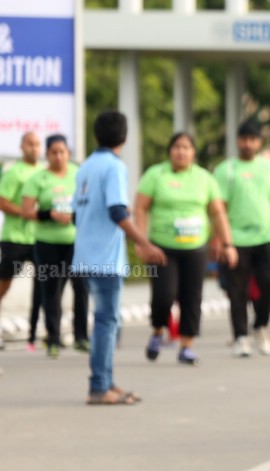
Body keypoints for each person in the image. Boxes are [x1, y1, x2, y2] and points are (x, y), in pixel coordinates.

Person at [73, 110, 166, 406]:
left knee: (105, 321)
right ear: (124, 137)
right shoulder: (114, 167)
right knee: (106, 322)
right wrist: (144, 242)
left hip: (85, 255)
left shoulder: (85, 166)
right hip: (104, 259)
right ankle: (99, 386)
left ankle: (106, 383)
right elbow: (117, 210)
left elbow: (78, 214)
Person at [135, 132, 236, 366]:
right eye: (177, 147)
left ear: (193, 153)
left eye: (186, 147)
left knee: (192, 297)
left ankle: (187, 346)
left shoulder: (204, 178)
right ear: (170, 151)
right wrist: (141, 241)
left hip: (195, 247)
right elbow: (140, 207)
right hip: (162, 248)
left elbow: (217, 213)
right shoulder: (155, 175)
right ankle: (158, 331)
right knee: (164, 296)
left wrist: (228, 244)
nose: (181, 152)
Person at [213, 119, 270, 358]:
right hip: (236, 239)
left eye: (252, 139)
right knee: (237, 290)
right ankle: (241, 336)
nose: (248, 144)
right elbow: (219, 208)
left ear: (259, 142)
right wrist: (219, 239)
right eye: (244, 139)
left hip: (265, 236)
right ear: (238, 141)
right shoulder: (226, 169)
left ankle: (261, 324)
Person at [20, 134, 83, 358]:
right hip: (46, 243)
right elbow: (26, 211)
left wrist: (74, 216)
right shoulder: (39, 179)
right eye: (53, 152)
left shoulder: (78, 174)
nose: (58, 156)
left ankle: (81, 336)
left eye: (62, 152)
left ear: (69, 153)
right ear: (47, 155)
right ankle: (53, 338)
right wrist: (49, 214)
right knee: (51, 290)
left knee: (81, 287)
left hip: (75, 242)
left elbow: (89, 202)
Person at [0, 131, 41, 351]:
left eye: (37, 144)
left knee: (44, 285)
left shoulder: (44, 173)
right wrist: (25, 212)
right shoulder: (14, 172)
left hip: (39, 238)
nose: (34, 148)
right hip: (14, 238)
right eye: (30, 144)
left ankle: (36, 335)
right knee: (4, 284)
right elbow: (2, 202)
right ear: (21, 147)